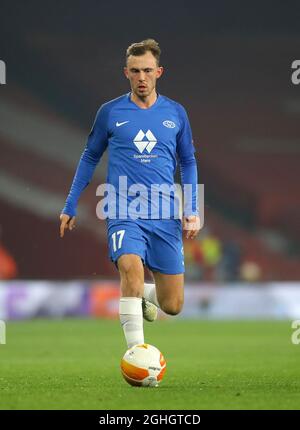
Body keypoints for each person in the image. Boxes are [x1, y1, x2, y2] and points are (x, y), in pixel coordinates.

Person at [60, 39, 201, 350]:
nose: (141, 77)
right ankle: (137, 353)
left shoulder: (176, 113)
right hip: (123, 209)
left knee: (173, 305)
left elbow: (189, 161)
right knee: (130, 267)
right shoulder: (110, 112)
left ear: (159, 72)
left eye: (147, 70)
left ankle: (140, 295)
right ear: (126, 72)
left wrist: (192, 209)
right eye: (135, 71)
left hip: (165, 215)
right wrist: (70, 203)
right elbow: (89, 157)